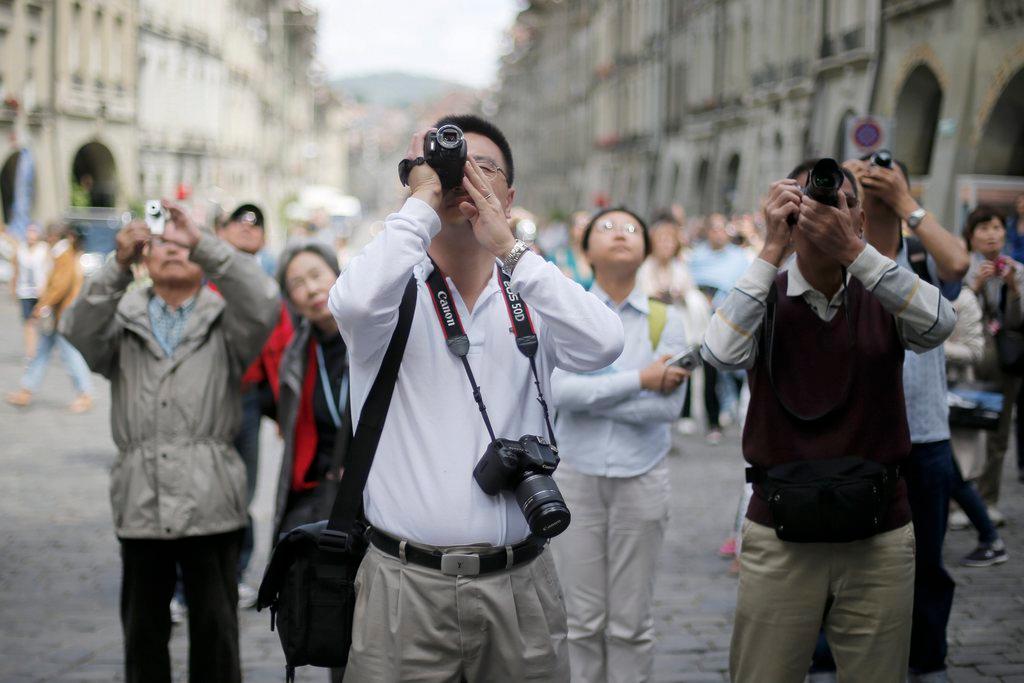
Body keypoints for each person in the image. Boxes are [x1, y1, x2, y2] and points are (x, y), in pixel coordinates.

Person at [329, 114, 624, 682]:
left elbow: (606, 343)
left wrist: (512, 249)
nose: (463, 179)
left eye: (481, 169)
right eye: (445, 166)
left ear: (508, 194)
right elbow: (355, 306)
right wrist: (421, 202)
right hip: (404, 586)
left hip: (520, 584)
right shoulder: (390, 290)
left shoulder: (533, 289)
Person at [702, 165, 955, 683]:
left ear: (859, 217)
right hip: (780, 530)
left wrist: (858, 255)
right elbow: (720, 353)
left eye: (839, 203)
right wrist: (772, 247)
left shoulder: (883, 291)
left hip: (879, 531)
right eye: (807, 204)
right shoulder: (761, 295)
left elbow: (939, 324)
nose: (822, 213)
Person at [60, 203, 280, 683]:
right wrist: (116, 267)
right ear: (144, 257)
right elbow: (76, 327)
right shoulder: (123, 318)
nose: (175, 251)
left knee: (216, 634)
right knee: (143, 632)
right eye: (163, 243)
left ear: (202, 255)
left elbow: (265, 299)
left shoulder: (229, 321)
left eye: (186, 245)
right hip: (141, 500)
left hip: (212, 502)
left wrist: (205, 241)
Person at [843, 155, 969, 681]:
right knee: (846, 562)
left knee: (926, 563)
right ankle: (837, 657)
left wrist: (906, 202)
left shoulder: (921, 255)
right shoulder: (839, 258)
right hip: (855, 438)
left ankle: (926, 660)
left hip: (925, 437)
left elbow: (959, 264)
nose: (873, 187)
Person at [550, 207, 688, 683]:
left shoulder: (665, 318)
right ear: (586, 249)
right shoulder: (570, 312)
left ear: (647, 249)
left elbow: (668, 409)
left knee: (633, 622)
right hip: (577, 475)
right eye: (606, 228)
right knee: (580, 621)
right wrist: (641, 380)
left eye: (632, 228)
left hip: (642, 474)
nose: (621, 234)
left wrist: (601, 392)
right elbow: (561, 393)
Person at [214, 201, 289, 607]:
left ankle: (239, 570)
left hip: (249, 395)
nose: (246, 230)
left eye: (254, 225)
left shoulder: (268, 280)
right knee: (206, 487)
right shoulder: (206, 275)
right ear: (220, 231)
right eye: (237, 223)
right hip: (212, 394)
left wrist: (280, 408)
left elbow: (280, 345)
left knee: (244, 488)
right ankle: (184, 583)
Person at [963, 206, 1024, 524]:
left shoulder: (1016, 270)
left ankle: (988, 499)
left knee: (998, 436)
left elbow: (1019, 321)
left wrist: (1013, 289)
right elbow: (952, 314)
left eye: (997, 227)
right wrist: (973, 287)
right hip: (968, 361)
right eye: (983, 228)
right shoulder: (960, 267)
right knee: (964, 429)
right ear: (971, 236)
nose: (991, 234)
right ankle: (959, 502)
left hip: (1006, 361)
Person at [944, 287, 1009, 567]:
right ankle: (989, 537)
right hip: (918, 399)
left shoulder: (963, 297)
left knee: (948, 469)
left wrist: (927, 340)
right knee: (944, 470)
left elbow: (974, 352)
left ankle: (990, 537)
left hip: (951, 395)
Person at [6, 222, 93, 412]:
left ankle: (84, 394)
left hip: (63, 313)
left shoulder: (63, 253)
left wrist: (43, 304)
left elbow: (61, 285)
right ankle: (27, 389)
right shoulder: (63, 252)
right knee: (41, 352)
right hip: (59, 313)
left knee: (69, 354)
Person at [638, 211, 711, 433]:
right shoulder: (645, 267)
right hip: (651, 327)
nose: (666, 245)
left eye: (670, 240)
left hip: (679, 326)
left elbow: (691, 292)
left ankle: (682, 414)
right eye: (662, 240)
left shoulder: (680, 268)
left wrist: (681, 294)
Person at [687, 213, 751, 443]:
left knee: (738, 369)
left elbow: (746, 285)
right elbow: (688, 283)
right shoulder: (697, 257)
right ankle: (713, 422)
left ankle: (739, 409)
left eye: (721, 228)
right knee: (710, 373)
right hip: (705, 323)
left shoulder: (739, 258)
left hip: (733, 321)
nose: (717, 232)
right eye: (712, 228)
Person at [11, 223, 51, 360]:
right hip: (24, 291)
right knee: (28, 323)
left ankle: (41, 350)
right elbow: (15, 270)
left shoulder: (44, 249)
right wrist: (14, 289)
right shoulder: (20, 249)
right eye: (29, 232)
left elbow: (49, 270)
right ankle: (30, 353)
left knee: (39, 322)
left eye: (34, 232)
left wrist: (46, 289)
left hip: (40, 291)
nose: (31, 235)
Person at [550, 209, 595, 287]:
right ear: (571, 229)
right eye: (580, 225)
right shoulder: (559, 256)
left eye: (588, 226)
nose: (584, 230)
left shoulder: (599, 258)